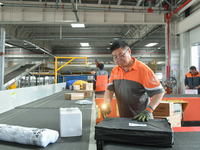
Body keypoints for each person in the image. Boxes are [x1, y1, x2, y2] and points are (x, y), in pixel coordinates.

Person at [101, 40, 165, 122]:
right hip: (124, 118)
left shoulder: (143, 70)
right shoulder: (115, 70)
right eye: (115, 57)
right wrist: (106, 102)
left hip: (141, 118)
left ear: (129, 51)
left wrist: (148, 111)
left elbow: (159, 92)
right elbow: (110, 90)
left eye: (121, 55)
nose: (118, 59)